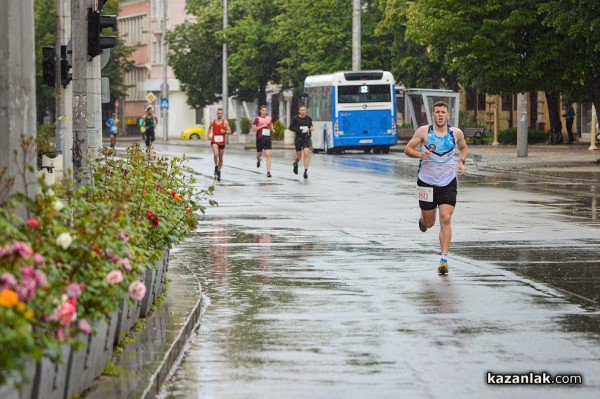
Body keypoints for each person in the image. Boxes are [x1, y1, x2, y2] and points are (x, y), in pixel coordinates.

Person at [404, 101, 468, 275]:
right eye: (437, 112)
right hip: (426, 182)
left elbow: (463, 148)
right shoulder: (424, 132)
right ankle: (422, 220)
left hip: (448, 182)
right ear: (432, 115)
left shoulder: (455, 133)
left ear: (448, 115)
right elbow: (407, 149)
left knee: (446, 219)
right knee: (431, 223)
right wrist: (420, 154)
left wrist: (461, 162)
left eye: (443, 112)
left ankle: (444, 259)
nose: (440, 115)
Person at [208, 107, 232, 181]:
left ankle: (218, 171)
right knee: (216, 154)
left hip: (222, 141)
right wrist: (208, 135)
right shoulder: (213, 122)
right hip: (214, 140)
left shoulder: (225, 122)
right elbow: (209, 128)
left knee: (221, 158)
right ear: (216, 114)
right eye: (218, 113)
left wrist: (224, 131)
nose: (220, 114)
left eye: (221, 113)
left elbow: (230, 131)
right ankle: (216, 166)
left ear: (223, 114)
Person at [289, 105, 313, 179]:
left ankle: (305, 171)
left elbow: (310, 126)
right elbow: (290, 127)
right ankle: (295, 163)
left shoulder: (309, 118)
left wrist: (311, 128)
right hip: (298, 139)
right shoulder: (295, 118)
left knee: (306, 153)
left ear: (306, 110)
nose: (303, 111)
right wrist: (298, 130)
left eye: (304, 110)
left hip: (306, 138)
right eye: (301, 110)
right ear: (299, 111)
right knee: (299, 157)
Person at [252, 105, 273, 178]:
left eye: (265, 110)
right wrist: (262, 126)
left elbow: (270, 123)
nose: (264, 112)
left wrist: (272, 129)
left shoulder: (269, 118)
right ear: (260, 111)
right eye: (263, 110)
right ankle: (258, 160)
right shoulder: (257, 119)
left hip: (267, 139)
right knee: (259, 154)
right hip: (260, 139)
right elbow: (254, 129)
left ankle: (268, 172)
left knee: (268, 155)